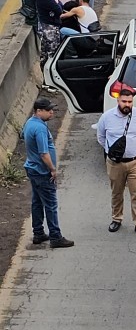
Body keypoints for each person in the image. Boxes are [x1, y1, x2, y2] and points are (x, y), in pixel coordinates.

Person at [22, 98, 74, 248]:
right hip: (41, 171)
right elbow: (44, 153)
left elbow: (22, 135)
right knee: (51, 204)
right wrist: (52, 169)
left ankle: (38, 233)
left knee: (37, 202)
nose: (52, 112)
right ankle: (55, 237)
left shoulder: (30, 123)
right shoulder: (40, 128)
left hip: (32, 169)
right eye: (48, 110)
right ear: (39, 111)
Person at [96, 88, 136, 235]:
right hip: (115, 163)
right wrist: (113, 152)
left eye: (130, 102)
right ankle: (116, 219)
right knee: (116, 192)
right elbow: (101, 138)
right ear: (118, 101)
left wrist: (133, 149)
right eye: (124, 101)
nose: (127, 104)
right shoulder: (107, 117)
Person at [33, 0, 63, 70]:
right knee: (52, 54)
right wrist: (57, 2)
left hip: (45, 25)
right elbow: (58, 10)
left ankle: (46, 76)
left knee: (45, 53)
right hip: (50, 28)